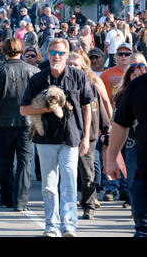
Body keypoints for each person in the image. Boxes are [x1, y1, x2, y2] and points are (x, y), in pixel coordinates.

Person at [20, 38, 93, 237]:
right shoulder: (38, 79)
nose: (57, 57)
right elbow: (24, 109)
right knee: (49, 186)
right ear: (48, 54)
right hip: (45, 140)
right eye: (53, 53)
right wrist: (48, 108)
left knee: (69, 183)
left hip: (71, 138)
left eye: (61, 53)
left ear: (67, 55)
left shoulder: (78, 76)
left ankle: (69, 226)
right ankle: (51, 225)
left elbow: (87, 107)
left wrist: (86, 137)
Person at [0, 38, 40, 211]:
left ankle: (7, 196)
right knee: (24, 161)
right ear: (21, 51)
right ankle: (21, 200)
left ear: (3, 52)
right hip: (27, 122)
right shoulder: (33, 71)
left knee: (5, 161)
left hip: (3, 122)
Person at [67, 52, 111, 220]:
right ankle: (67, 204)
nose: (72, 67)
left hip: (88, 136)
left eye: (76, 65)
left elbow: (99, 109)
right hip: (67, 135)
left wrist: (107, 130)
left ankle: (89, 205)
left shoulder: (91, 85)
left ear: (82, 68)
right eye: (70, 64)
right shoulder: (60, 84)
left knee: (87, 172)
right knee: (68, 172)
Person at [106, 65, 147, 237]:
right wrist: (111, 159)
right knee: (143, 230)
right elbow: (120, 124)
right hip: (144, 176)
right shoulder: (138, 86)